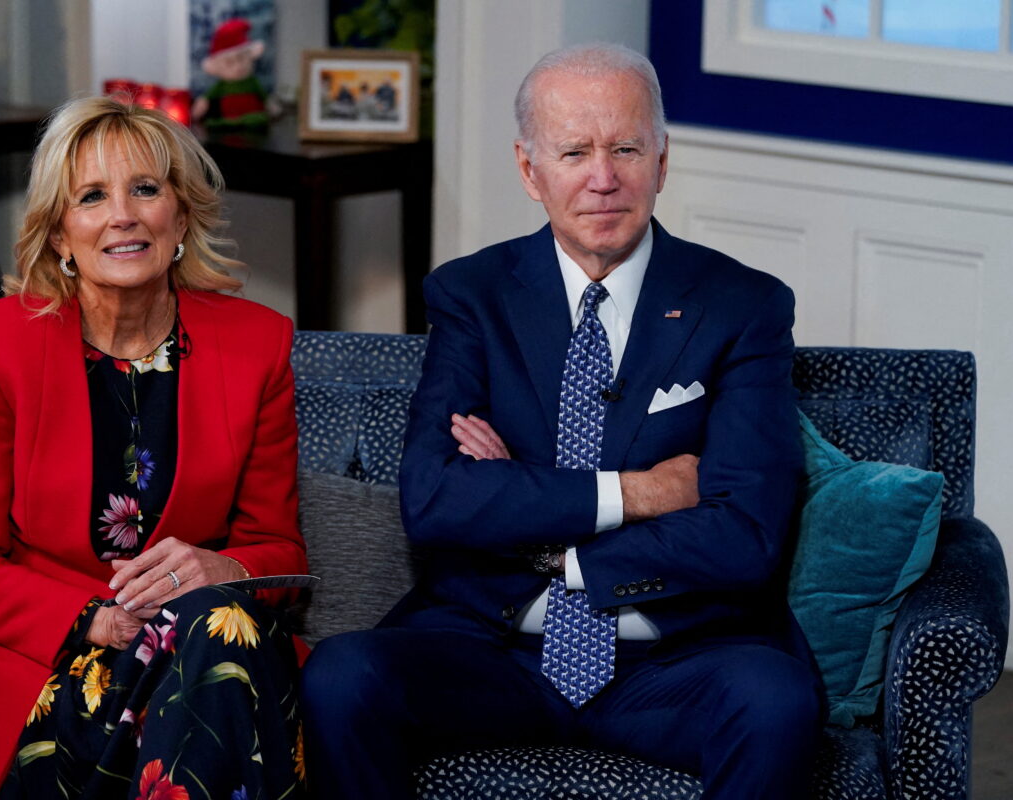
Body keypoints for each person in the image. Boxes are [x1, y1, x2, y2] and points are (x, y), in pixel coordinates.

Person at [300, 43, 824, 799]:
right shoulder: (471, 295)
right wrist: (639, 493)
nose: (602, 179)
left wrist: (535, 521)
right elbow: (435, 499)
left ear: (662, 161)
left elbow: (747, 533)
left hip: (674, 658)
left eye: (626, 149)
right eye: (574, 152)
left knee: (776, 700)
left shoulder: (743, 306)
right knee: (344, 676)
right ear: (530, 170)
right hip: (491, 647)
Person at [0, 96, 307, 800]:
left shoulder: (257, 345)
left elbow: (282, 553)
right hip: (51, 658)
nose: (123, 215)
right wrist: (101, 620)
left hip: (201, 651)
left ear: (180, 217)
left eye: (145, 189)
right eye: (91, 197)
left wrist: (223, 566)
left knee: (216, 630)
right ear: (59, 233)